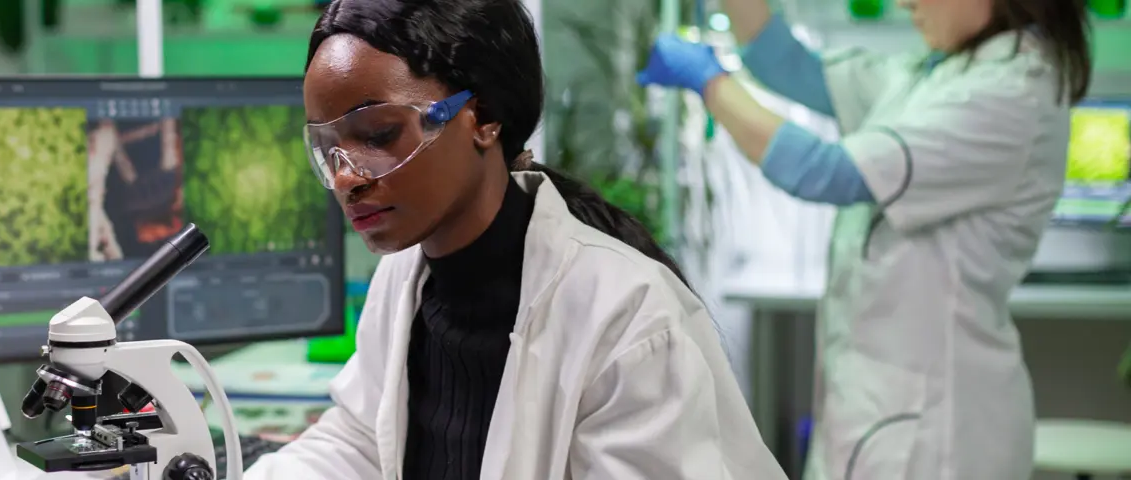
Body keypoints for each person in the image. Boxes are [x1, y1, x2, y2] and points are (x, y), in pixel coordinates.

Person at [244, 0, 785, 478]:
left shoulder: (623, 312)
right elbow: (358, 442)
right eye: (328, 148)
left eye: (379, 135)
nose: (347, 177)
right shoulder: (404, 280)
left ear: (482, 117)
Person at [636, 0, 1092, 479]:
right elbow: (785, 63)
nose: (903, 2)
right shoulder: (939, 72)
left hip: (939, 431)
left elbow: (827, 172)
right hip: (880, 412)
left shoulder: (1008, 90)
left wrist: (709, 82)